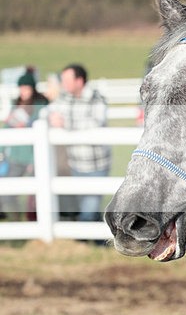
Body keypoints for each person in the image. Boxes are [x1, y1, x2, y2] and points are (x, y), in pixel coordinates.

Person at [48, 63, 112, 222]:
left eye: (67, 80)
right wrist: (51, 118)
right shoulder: (65, 97)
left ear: (79, 81)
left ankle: (86, 232)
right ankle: (95, 232)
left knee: (88, 209)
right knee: (86, 206)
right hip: (75, 164)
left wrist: (65, 124)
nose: (63, 84)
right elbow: (50, 113)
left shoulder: (96, 98)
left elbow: (95, 123)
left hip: (96, 165)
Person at [0, 68, 49, 220]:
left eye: (26, 88)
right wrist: (1, 149)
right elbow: (7, 128)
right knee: (7, 192)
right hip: (16, 156)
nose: (23, 91)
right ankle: (16, 217)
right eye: (21, 88)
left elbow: (40, 126)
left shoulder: (40, 105)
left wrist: (26, 125)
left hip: (34, 156)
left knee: (35, 195)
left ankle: (34, 221)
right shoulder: (16, 105)